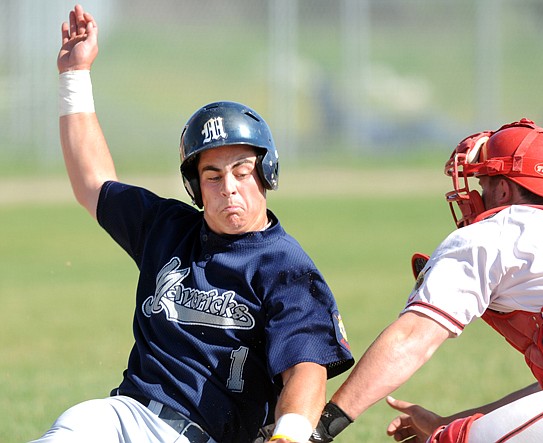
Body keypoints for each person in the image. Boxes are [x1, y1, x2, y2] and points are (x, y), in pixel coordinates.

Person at [32, 5, 354, 443]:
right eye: (212, 175)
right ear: (195, 186)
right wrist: (74, 74)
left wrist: (291, 434)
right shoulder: (167, 229)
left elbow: (307, 367)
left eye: (242, 171)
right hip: (123, 415)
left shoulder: (286, 268)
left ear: (267, 174)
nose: (229, 188)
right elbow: (93, 182)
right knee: (76, 425)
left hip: (199, 436)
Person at [311, 118, 543, 442]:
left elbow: (412, 339)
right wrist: (451, 421)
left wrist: (320, 427)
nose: (477, 194)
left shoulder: (497, 231)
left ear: (503, 188)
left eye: (484, 183)